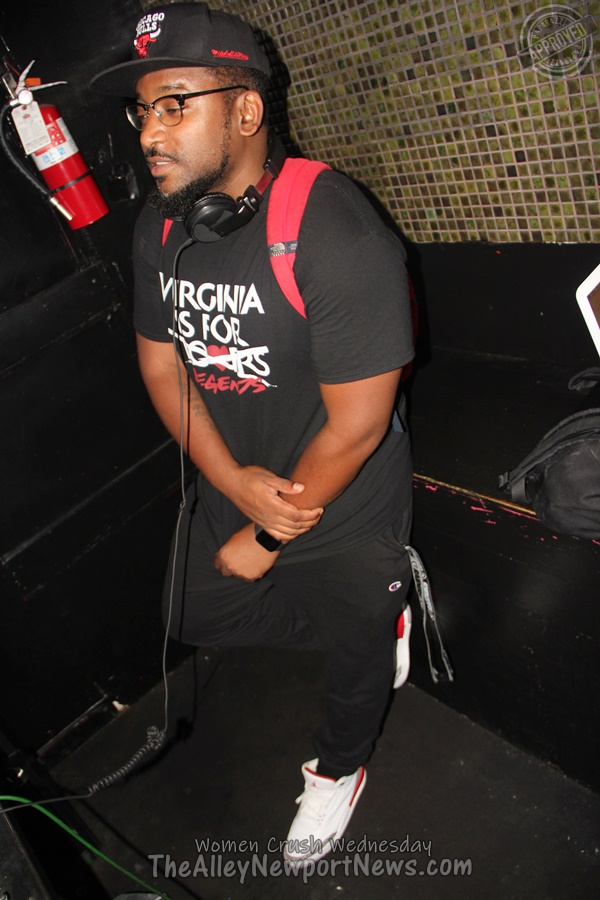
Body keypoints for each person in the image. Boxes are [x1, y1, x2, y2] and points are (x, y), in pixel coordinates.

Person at [92, 1, 414, 865]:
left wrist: (269, 534)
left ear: (245, 109)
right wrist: (232, 481)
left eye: (175, 104)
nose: (149, 133)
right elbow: (161, 366)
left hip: (340, 498)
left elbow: (358, 427)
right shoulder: (162, 225)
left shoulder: (335, 230)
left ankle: (339, 767)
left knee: (355, 663)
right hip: (236, 471)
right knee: (194, 607)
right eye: (142, 110)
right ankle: (368, 627)